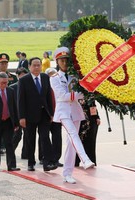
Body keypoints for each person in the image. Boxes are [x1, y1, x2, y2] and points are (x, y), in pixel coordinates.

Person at [50, 47, 94, 184]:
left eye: (66, 60)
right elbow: (62, 96)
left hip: (75, 111)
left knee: (71, 142)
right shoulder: (54, 78)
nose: (64, 62)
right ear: (57, 62)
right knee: (73, 134)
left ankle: (67, 173)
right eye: (61, 60)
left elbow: (82, 93)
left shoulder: (75, 77)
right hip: (63, 112)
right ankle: (85, 159)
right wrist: (77, 95)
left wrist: (79, 94)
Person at [18, 57, 57, 172]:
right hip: (29, 115)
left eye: (38, 65)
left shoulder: (45, 77)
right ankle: (31, 162)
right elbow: (21, 100)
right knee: (31, 139)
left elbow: (48, 97)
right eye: (34, 65)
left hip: (44, 113)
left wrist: (51, 113)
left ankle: (47, 163)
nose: (36, 67)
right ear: (29, 67)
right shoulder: (24, 80)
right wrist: (22, 117)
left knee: (45, 137)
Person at [0, 72, 20, 172]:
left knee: (9, 143)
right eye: (2, 83)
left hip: (8, 121)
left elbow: (14, 107)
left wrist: (16, 123)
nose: (4, 85)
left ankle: (11, 165)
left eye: (6, 83)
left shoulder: (10, 91)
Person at [44, 67, 63, 167]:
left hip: (57, 116)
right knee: (45, 138)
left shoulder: (60, 87)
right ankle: (45, 158)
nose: (53, 76)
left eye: (55, 74)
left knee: (57, 138)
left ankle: (56, 159)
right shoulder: (44, 87)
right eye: (51, 74)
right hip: (47, 116)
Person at [75, 99, 100, 167]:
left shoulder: (89, 92)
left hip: (90, 119)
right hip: (77, 119)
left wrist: (96, 117)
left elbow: (92, 105)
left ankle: (90, 161)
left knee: (90, 141)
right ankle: (75, 161)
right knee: (77, 140)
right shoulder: (73, 90)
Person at [10, 67, 29, 159]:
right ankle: (10, 152)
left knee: (27, 136)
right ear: (17, 77)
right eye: (21, 76)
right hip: (16, 115)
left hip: (27, 115)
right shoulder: (12, 88)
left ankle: (25, 154)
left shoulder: (30, 86)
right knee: (17, 135)